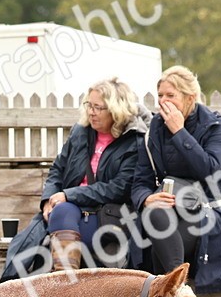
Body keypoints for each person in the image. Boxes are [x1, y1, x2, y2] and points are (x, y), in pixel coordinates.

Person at [129, 65, 221, 292]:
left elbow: (209, 169)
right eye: (160, 95)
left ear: (190, 97)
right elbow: (140, 181)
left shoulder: (215, 125)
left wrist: (180, 132)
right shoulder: (154, 129)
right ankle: (178, 291)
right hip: (168, 211)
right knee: (154, 213)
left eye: (170, 95)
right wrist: (147, 198)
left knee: (159, 243)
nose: (163, 101)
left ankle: (173, 292)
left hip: (208, 211)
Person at [37, 78, 149, 272]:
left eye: (98, 107)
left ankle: (63, 283)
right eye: (89, 105)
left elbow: (119, 188)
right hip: (69, 209)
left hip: (108, 214)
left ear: (116, 110)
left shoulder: (133, 139)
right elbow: (57, 169)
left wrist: (69, 195)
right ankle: (66, 283)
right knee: (59, 214)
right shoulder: (80, 132)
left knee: (57, 224)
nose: (91, 112)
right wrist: (48, 200)